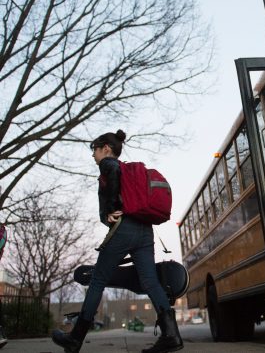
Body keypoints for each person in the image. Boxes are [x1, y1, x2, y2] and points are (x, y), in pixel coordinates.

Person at [52, 130, 183, 353]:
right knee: (150, 281)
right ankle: (171, 336)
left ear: (106, 148)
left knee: (97, 280)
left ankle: (75, 338)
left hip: (125, 228)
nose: (93, 155)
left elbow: (111, 177)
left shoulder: (110, 164)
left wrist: (111, 209)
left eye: (94, 149)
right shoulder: (125, 168)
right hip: (144, 230)